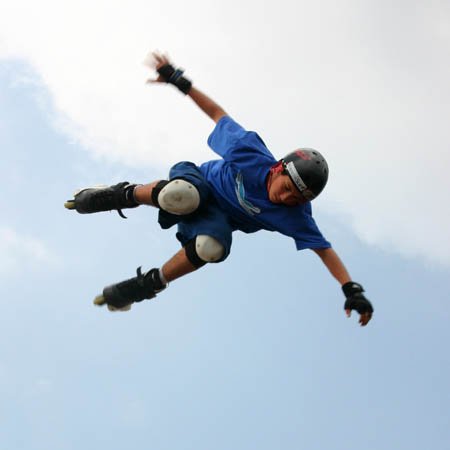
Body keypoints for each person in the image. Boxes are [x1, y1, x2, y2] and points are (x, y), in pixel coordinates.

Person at [65, 51, 374, 326]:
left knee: (210, 249)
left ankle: (147, 285)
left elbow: (324, 250)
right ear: (279, 167)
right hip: (198, 182)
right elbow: (216, 112)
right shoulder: (249, 150)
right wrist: (178, 81)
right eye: (287, 188)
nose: (285, 198)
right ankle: (120, 194)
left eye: (296, 199)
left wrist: (350, 289)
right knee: (181, 196)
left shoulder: (296, 216)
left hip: (216, 220)